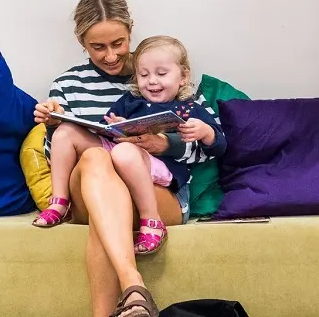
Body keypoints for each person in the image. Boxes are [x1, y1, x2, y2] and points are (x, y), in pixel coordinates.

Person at [30, 0, 220, 317]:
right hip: (90, 183)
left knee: (106, 214)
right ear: (81, 42)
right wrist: (51, 124)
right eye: (97, 47)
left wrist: (168, 144)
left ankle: (125, 298)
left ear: (130, 32)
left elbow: (211, 146)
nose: (110, 56)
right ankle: (134, 285)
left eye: (118, 43)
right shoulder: (67, 84)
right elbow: (58, 151)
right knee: (95, 158)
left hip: (156, 191)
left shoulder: (158, 67)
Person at [38, 35, 227, 257]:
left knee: (125, 152)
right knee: (65, 132)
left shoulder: (189, 108)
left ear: (183, 76)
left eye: (161, 74)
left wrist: (205, 132)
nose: (152, 81)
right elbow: (102, 132)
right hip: (117, 157)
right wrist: (115, 127)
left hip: (162, 171)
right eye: (144, 75)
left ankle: (152, 221)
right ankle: (59, 203)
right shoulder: (129, 101)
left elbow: (220, 146)